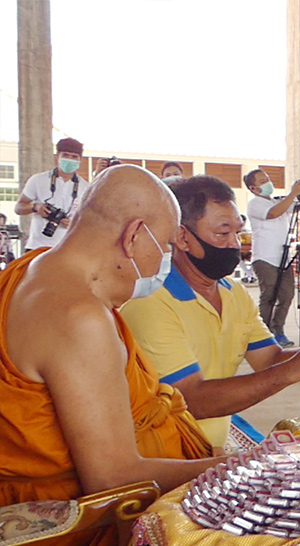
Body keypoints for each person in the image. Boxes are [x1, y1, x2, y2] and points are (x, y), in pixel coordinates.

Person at [0, 165, 222, 546]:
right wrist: (234, 467)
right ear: (133, 236)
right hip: (80, 523)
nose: (166, 262)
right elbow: (112, 479)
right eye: (166, 246)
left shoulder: (32, 267)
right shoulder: (78, 317)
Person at [120, 175, 300, 450]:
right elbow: (192, 400)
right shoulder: (150, 303)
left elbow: (268, 359)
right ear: (182, 237)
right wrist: (292, 370)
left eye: (237, 233)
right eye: (222, 233)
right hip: (166, 455)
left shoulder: (233, 292)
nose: (234, 244)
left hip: (212, 447)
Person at [241, 169, 300, 347]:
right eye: (262, 181)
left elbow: (299, 209)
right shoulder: (255, 204)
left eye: (267, 179)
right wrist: (293, 193)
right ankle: (262, 334)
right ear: (253, 188)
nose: (268, 183)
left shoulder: (277, 201)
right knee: (269, 296)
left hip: (283, 258)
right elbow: (273, 213)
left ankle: (278, 330)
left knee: (287, 294)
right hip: (265, 257)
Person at [15, 137, 90, 252]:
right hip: (37, 247)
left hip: (69, 249)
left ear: (80, 159)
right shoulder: (38, 180)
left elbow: (89, 220)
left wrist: (75, 223)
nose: (69, 159)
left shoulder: (86, 187)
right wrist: (35, 207)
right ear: (57, 156)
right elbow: (18, 208)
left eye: (74, 157)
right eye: (65, 155)